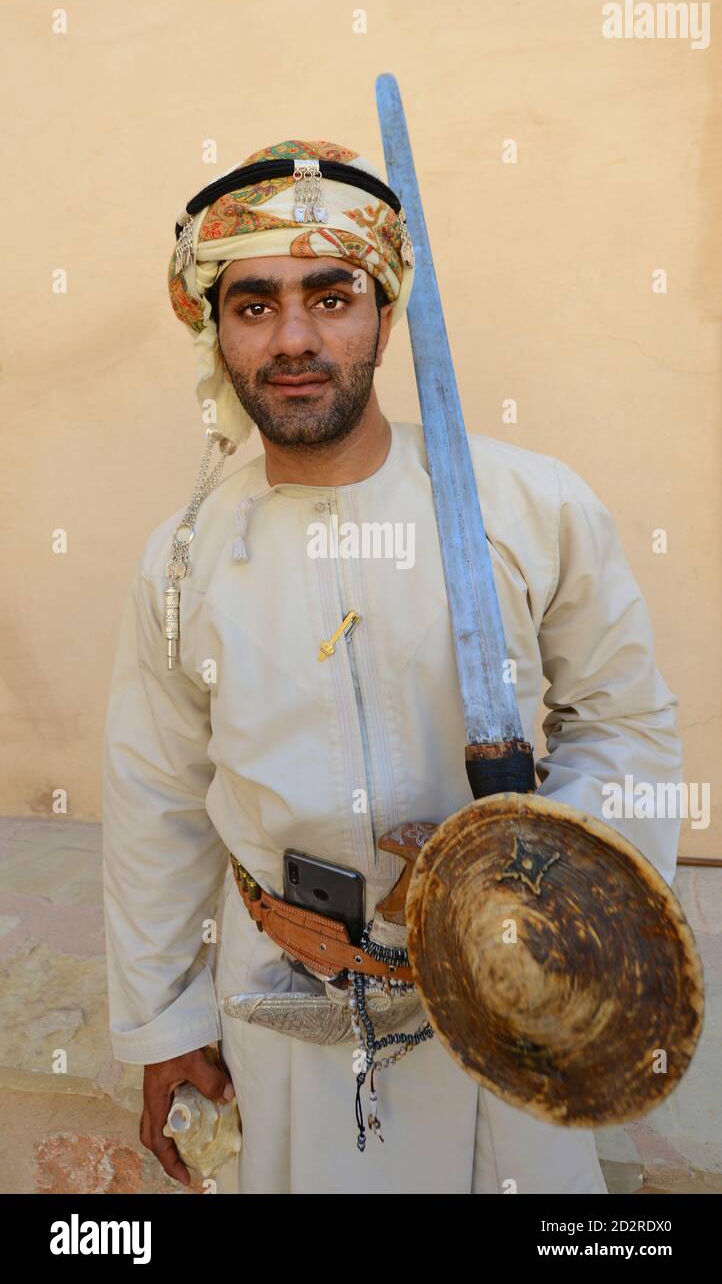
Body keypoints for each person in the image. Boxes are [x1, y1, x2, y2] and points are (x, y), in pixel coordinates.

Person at [102, 139, 683, 1194]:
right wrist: (161, 1022)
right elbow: (156, 795)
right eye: (253, 303)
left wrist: (535, 869)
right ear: (212, 327)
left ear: (383, 307)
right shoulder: (182, 558)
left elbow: (623, 721)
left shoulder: (528, 507)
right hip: (279, 1014)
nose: (292, 338)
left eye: (330, 297)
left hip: (511, 1007)